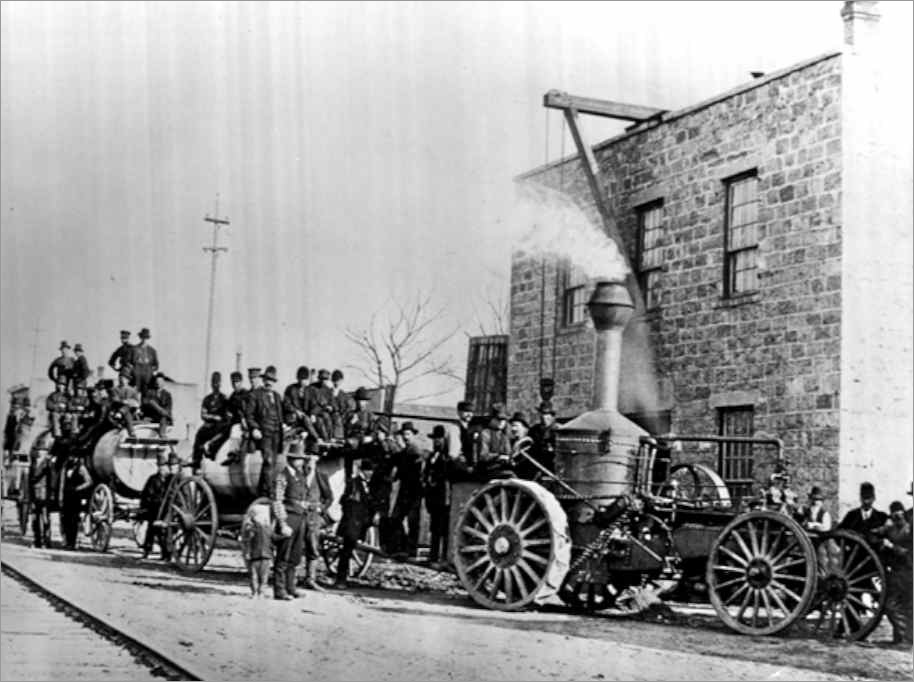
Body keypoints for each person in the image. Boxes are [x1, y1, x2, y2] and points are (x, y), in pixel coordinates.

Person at [330, 452, 386, 589]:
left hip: (362, 521)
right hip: (352, 521)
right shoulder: (353, 483)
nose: (370, 474)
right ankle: (340, 579)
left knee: (348, 549)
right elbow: (345, 502)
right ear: (362, 471)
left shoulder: (371, 485)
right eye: (368, 471)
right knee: (347, 550)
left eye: (372, 471)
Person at [271, 442, 310, 600]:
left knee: (295, 555)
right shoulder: (282, 475)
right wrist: (282, 523)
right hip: (288, 518)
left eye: (301, 459)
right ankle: (279, 590)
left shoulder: (300, 476)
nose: (300, 461)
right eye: (297, 459)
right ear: (291, 459)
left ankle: (291, 587)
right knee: (283, 555)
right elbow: (277, 500)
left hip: (300, 518)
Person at [245, 365, 285, 497]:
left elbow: (281, 415)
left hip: (276, 434)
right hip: (263, 434)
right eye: (267, 379)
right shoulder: (256, 395)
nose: (269, 383)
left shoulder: (277, 396)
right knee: (268, 460)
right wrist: (255, 428)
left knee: (271, 464)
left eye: (272, 381)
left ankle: (261, 493)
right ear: (263, 380)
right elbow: (249, 415)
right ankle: (270, 493)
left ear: (274, 382)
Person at [878, 500, 912, 645]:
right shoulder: (891, 529)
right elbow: (879, 532)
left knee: (894, 606)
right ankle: (900, 638)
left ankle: (907, 638)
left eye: (899, 513)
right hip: (897, 573)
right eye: (894, 513)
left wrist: (891, 546)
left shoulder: (909, 530)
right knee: (897, 606)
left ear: (903, 513)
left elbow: (908, 553)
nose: (897, 516)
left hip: (909, 572)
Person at [391, 422, 424, 559]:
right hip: (405, 490)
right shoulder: (405, 451)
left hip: (413, 490)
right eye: (404, 435)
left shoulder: (414, 450)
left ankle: (409, 550)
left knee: (411, 521)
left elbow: (408, 469)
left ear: (413, 435)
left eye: (408, 434)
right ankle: (404, 548)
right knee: (398, 519)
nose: (406, 437)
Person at [423, 425, 451, 566]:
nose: (437, 442)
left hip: (444, 496)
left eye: (439, 439)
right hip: (434, 497)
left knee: (444, 528)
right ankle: (433, 556)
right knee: (434, 528)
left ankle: (444, 557)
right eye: (435, 439)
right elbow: (427, 472)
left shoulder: (447, 457)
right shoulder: (432, 456)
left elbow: (445, 475)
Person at [139, 452, 175, 559]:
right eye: (160, 467)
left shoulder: (170, 480)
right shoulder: (153, 479)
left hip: (166, 508)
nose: (162, 469)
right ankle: (147, 550)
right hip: (154, 508)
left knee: (165, 531)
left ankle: (166, 553)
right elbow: (147, 494)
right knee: (151, 529)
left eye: (164, 467)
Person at [192, 372, 229, 469]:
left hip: (220, 426)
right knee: (199, 435)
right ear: (211, 384)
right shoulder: (207, 399)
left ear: (220, 383)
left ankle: (212, 456)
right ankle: (196, 462)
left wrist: (221, 419)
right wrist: (213, 417)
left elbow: (227, 414)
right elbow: (203, 415)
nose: (215, 385)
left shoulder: (224, 399)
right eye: (214, 382)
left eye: (217, 382)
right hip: (209, 425)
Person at [240, 502, 275, 598]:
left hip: (261, 555)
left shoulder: (261, 528)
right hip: (259, 555)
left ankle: (260, 592)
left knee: (261, 576)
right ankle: (256, 592)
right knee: (256, 576)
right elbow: (247, 542)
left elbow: (272, 540)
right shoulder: (252, 529)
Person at [59, 453, 92, 550]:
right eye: (70, 456)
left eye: (73, 457)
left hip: (75, 497)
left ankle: (72, 543)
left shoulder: (81, 468)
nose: (71, 458)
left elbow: (89, 481)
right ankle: (67, 541)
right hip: (66, 496)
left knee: (73, 521)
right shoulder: (66, 467)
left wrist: (79, 488)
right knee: (66, 520)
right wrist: (60, 497)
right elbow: (62, 482)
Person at [283, 366, 319, 445]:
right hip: (294, 416)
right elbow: (286, 404)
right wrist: (296, 411)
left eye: (305, 379)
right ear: (298, 379)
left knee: (310, 419)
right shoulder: (290, 389)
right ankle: (317, 438)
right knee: (305, 419)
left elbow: (315, 404)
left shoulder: (311, 390)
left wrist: (313, 414)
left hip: (306, 416)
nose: (303, 382)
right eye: (301, 379)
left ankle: (317, 439)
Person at [28, 439, 54, 548]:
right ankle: (37, 540)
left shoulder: (47, 465)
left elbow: (51, 481)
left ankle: (46, 541)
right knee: (35, 519)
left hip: (44, 495)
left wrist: (51, 494)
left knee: (45, 519)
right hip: (35, 495)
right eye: (39, 450)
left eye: (42, 450)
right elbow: (30, 482)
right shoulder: (33, 465)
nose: (40, 453)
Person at [477, 404, 513, 479]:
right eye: (498, 419)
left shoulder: (504, 436)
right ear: (492, 419)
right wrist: (498, 456)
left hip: (501, 467)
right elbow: (483, 455)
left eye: (503, 420)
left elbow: (509, 452)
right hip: (487, 469)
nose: (501, 422)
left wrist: (509, 458)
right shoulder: (485, 433)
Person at [527, 401, 558, 477]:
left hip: (553, 467)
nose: (544, 417)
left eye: (547, 415)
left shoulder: (558, 431)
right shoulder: (534, 430)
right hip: (536, 466)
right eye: (542, 414)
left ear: (552, 416)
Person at [3, 384, 31, 461]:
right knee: (10, 437)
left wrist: (22, 413)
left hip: (19, 422)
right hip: (14, 421)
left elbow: (27, 409)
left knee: (16, 438)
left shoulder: (24, 401)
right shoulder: (12, 414)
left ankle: (11, 455)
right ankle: (9, 455)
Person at [307, 369, 335, 442]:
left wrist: (330, 407)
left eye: (325, 379)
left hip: (324, 412)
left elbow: (332, 403)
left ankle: (329, 439)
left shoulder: (328, 390)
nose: (323, 381)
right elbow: (309, 403)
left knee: (327, 419)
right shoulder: (312, 388)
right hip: (314, 412)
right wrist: (312, 414)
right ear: (318, 378)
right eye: (322, 379)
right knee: (320, 422)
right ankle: (324, 440)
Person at [141, 373, 173, 437]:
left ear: (163, 383)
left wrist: (156, 406)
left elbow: (168, 408)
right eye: (157, 381)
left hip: (163, 417)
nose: (158, 383)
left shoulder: (167, 395)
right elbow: (145, 403)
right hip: (152, 416)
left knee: (163, 418)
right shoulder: (149, 392)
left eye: (160, 381)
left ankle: (162, 435)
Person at [129, 328, 159, 395]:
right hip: (136, 376)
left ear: (148, 338)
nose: (144, 339)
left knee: (146, 395)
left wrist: (151, 371)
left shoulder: (152, 351)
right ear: (140, 337)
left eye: (145, 338)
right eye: (142, 337)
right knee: (135, 394)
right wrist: (133, 370)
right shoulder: (134, 349)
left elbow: (156, 365)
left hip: (147, 377)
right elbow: (128, 362)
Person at [454, 400, 481, 476]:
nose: (469, 414)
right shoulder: (455, 428)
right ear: (459, 412)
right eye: (466, 411)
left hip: (473, 467)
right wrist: (464, 465)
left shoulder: (473, 428)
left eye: (471, 412)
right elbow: (454, 452)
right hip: (459, 467)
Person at [508, 411, 533, 477]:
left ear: (525, 429)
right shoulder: (511, 442)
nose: (513, 429)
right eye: (512, 426)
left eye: (516, 426)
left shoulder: (528, 443)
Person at [330, 370, 352, 439]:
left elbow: (348, 408)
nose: (336, 382)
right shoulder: (327, 392)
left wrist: (343, 415)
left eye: (338, 380)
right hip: (330, 417)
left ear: (342, 381)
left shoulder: (344, 395)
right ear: (332, 380)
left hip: (341, 419)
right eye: (335, 380)